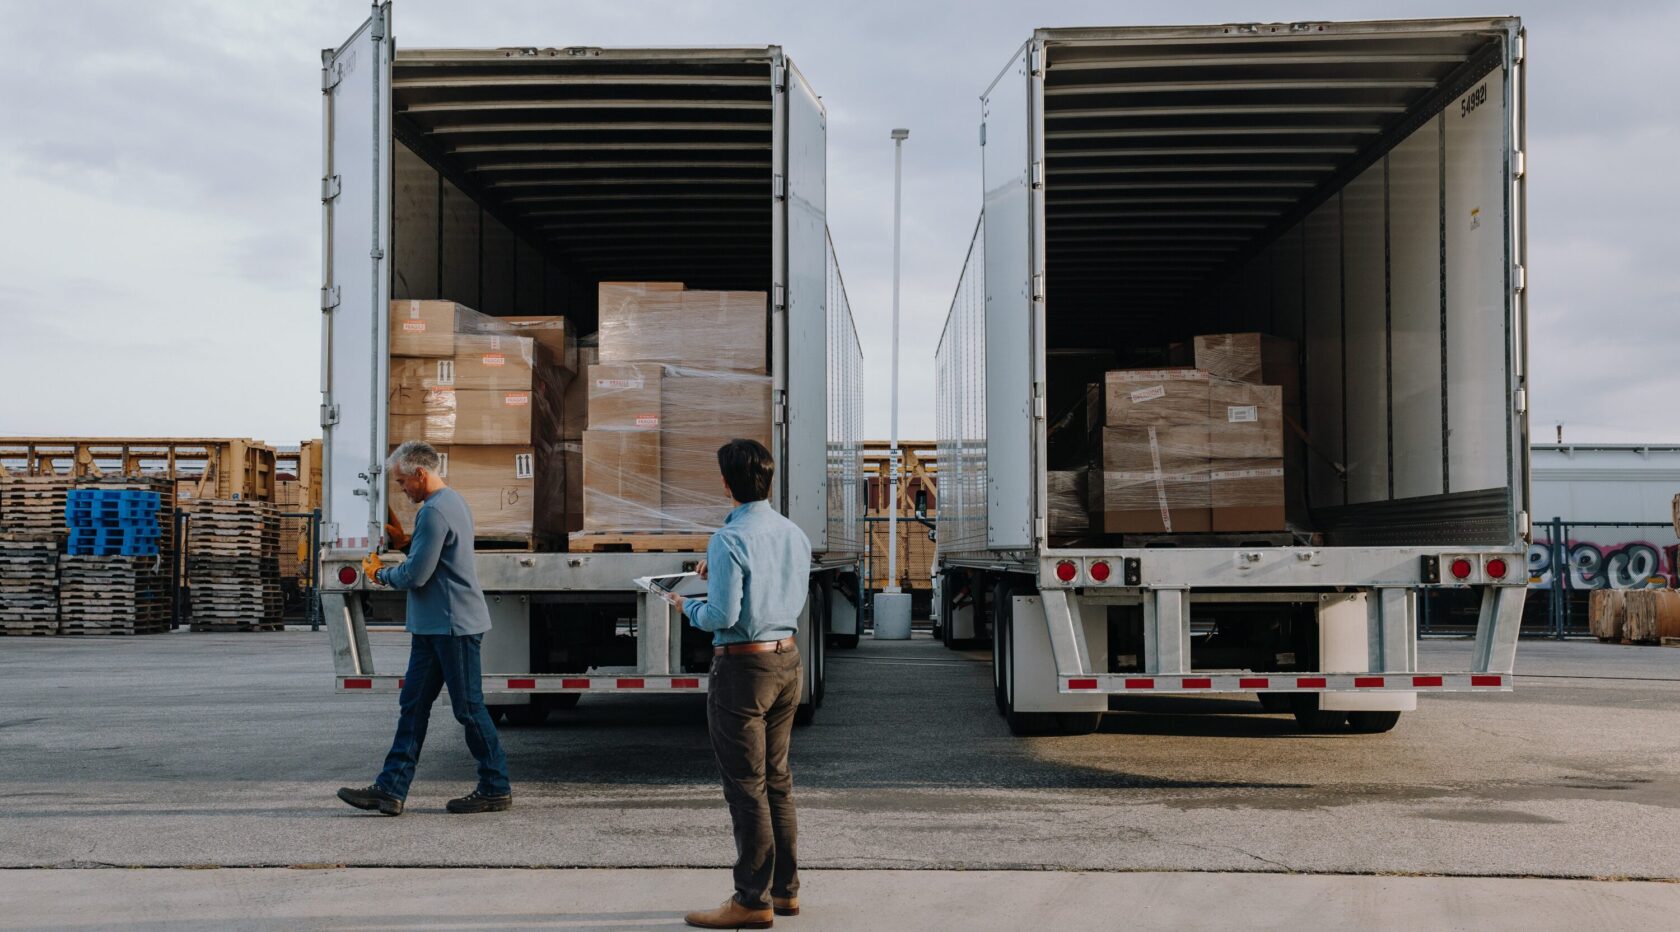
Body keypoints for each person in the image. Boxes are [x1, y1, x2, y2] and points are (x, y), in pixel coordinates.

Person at [667, 439, 812, 930]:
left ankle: (751, 900)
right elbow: (777, 592)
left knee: (746, 788)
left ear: (726, 484)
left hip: (743, 672)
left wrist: (684, 605)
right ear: (768, 480)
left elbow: (721, 614)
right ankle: (785, 892)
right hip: (787, 661)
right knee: (778, 782)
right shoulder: (794, 534)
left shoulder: (728, 539)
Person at [336, 440, 512, 816]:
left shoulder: (434, 512)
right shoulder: (452, 503)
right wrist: (403, 546)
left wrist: (380, 575)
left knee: (468, 708)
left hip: (453, 625)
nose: (401, 489)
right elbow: (429, 560)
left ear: (420, 473)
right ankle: (390, 788)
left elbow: (417, 574)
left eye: (402, 482)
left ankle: (495, 786)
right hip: (434, 625)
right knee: (413, 706)